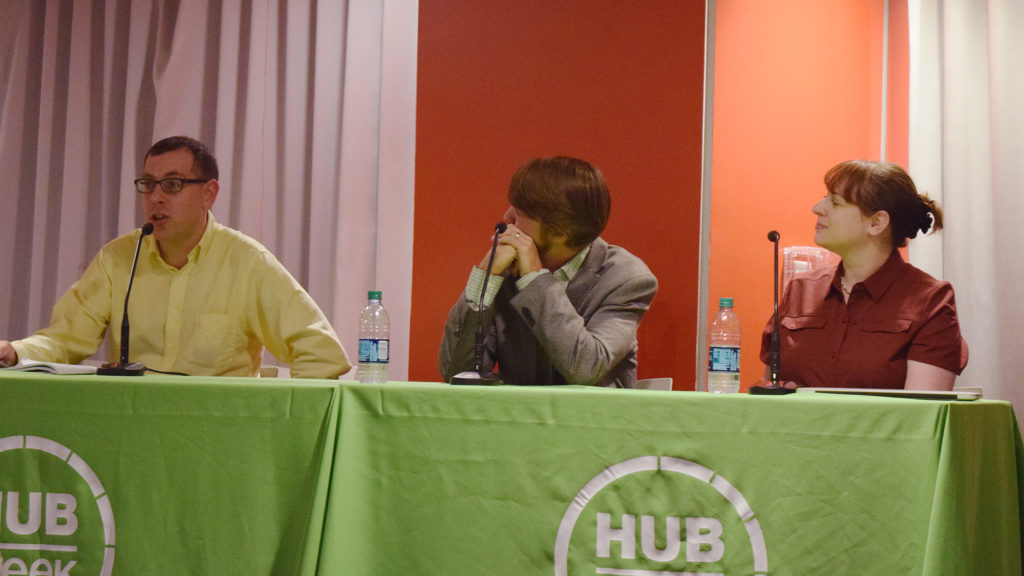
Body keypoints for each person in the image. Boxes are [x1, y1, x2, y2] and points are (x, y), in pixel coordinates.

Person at [0, 136, 350, 379]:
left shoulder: (247, 262)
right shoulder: (119, 258)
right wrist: (16, 351)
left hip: (217, 430)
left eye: (172, 185)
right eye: (148, 184)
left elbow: (321, 354)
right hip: (130, 422)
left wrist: (281, 417)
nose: (156, 197)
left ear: (208, 193)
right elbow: (66, 339)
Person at [438, 156, 658, 388]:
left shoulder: (627, 279)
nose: (507, 217)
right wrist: (484, 278)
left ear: (560, 231)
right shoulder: (506, 272)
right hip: (518, 420)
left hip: (591, 421)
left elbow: (585, 367)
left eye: (521, 212)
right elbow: (457, 372)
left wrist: (535, 278)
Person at [758, 159, 967, 390]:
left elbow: (922, 415)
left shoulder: (931, 301)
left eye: (835, 202)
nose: (817, 207)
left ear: (876, 223)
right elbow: (768, 388)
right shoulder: (800, 289)